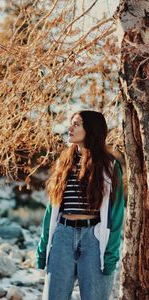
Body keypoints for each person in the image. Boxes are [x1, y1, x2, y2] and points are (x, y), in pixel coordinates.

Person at [36, 110, 125, 300]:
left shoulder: (109, 166)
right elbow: (52, 208)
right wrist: (43, 247)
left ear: (91, 130)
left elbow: (116, 214)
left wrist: (111, 253)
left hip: (94, 238)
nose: (70, 128)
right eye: (71, 123)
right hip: (63, 236)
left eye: (76, 124)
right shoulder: (64, 162)